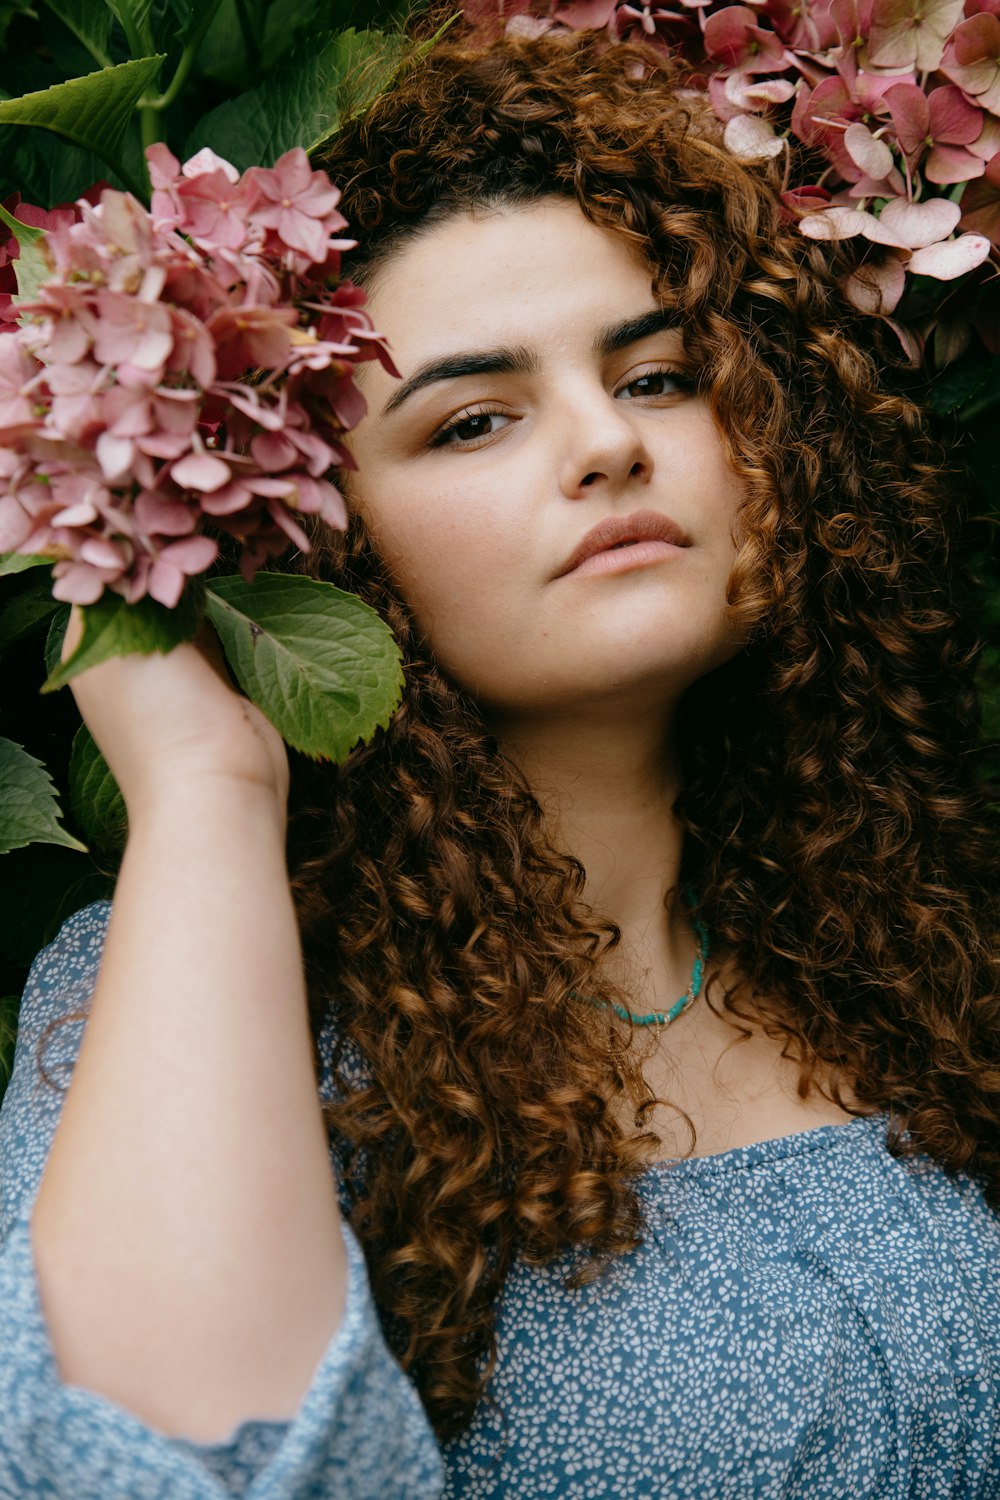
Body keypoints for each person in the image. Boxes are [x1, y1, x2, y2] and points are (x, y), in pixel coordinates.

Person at [1, 24, 999, 1500]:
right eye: (472, 419)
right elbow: (152, 1475)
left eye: (659, 375)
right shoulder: (208, 996)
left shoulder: (922, 937)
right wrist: (205, 793)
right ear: (321, 538)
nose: (605, 444)